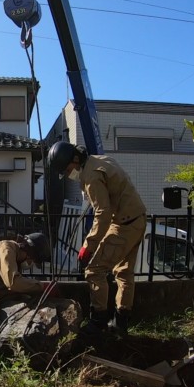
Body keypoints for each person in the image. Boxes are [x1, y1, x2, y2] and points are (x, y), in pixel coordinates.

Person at [47, 141, 146, 337]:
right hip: (137, 219)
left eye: (68, 170)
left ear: (75, 159)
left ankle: (98, 321)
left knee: (94, 270)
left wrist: (88, 246)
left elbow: (103, 213)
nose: (69, 175)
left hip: (123, 224)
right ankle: (120, 323)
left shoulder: (91, 175)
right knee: (124, 273)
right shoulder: (99, 161)